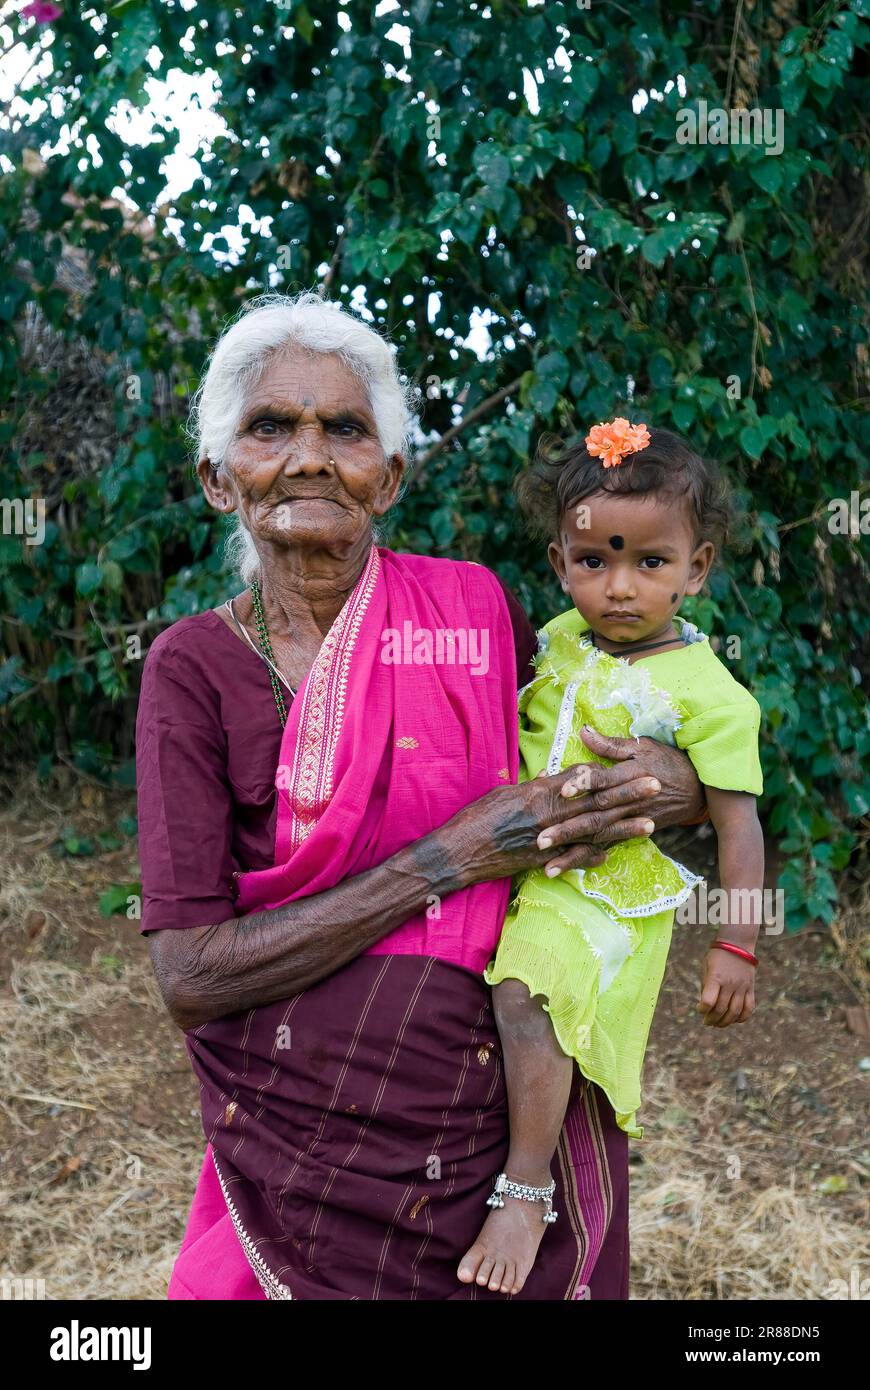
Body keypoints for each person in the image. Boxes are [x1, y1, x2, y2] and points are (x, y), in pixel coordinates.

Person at [136, 297, 707, 1300]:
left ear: (388, 476)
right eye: (271, 427)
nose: (309, 456)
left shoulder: (469, 613)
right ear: (219, 478)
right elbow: (190, 973)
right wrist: (455, 857)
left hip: (497, 1156)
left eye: (345, 429)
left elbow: (619, 727)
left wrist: (667, 781)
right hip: (299, 1146)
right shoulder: (194, 669)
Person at [458, 419, 763, 1296]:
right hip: (514, 862)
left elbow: (740, 826)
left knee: (527, 994)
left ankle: (527, 1188)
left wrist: (737, 945)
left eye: (650, 564)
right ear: (561, 564)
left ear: (696, 569)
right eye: (594, 562)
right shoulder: (556, 638)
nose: (619, 587)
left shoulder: (710, 693)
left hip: (605, 890)